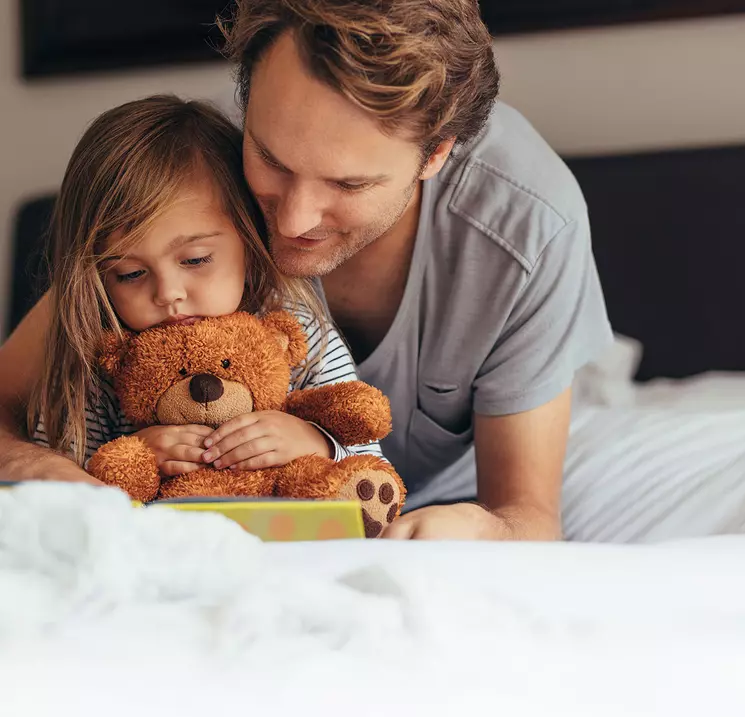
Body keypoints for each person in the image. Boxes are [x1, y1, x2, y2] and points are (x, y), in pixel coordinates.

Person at [0, 0, 613, 541]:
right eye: (270, 159)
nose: (292, 221)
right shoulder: (194, 171)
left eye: (348, 183)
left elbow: (526, 517)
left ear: (436, 153)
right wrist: (33, 464)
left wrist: (478, 527)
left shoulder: (528, 230)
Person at [10, 95, 384, 482]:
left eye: (195, 260)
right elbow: (61, 491)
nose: (167, 293)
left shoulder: (299, 334)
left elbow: (372, 469)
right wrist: (132, 458)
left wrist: (314, 442)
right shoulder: (102, 362)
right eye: (130, 274)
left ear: (250, 239)